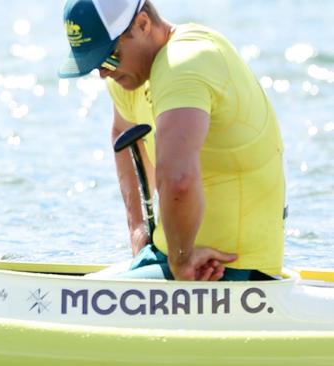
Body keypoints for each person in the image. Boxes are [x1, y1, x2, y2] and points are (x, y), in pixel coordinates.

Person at [59, 0, 285, 281]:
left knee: (61, 305)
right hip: (171, 257)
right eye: (95, 63)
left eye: (109, 56)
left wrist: (181, 261)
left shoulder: (185, 63)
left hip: (223, 270)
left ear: (142, 24)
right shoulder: (130, 75)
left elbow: (178, 177)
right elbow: (122, 135)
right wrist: (138, 228)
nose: (103, 71)